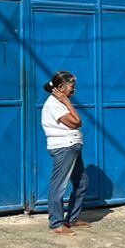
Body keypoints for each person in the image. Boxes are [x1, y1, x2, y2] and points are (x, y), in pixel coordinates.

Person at [42, 70, 87, 236]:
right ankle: (56, 224)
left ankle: (72, 219)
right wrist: (67, 102)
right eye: (71, 86)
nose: (74, 90)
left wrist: (66, 101)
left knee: (82, 183)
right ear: (61, 87)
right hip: (63, 148)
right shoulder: (54, 104)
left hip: (72, 147)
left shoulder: (59, 103)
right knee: (58, 186)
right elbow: (77, 122)